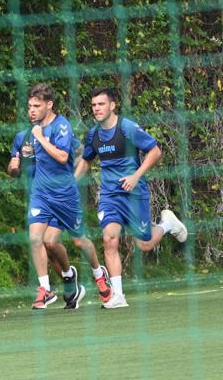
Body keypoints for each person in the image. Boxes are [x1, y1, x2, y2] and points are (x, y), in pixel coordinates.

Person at [75, 87, 187, 308]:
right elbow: (87, 160)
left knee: (144, 244)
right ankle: (118, 295)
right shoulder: (93, 134)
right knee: (109, 238)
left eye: (101, 104)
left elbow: (155, 151)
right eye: (94, 105)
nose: (96, 108)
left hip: (134, 193)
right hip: (109, 195)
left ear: (112, 105)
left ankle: (166, 224)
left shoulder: (127, 127)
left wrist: (136, 176)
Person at [9, 113, 112, 306]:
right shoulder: (21, 138)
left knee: (79, 242)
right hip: (41, 198)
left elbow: (83, 154)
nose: (31, 111)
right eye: (29, 106)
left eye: (36, 106)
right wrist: (13, 168)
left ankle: (99, 273)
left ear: (47, 107)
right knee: (45, 242)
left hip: (64, 197)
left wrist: (72, 179)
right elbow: (13, 170)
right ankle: (59, 282)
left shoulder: (58, 131)